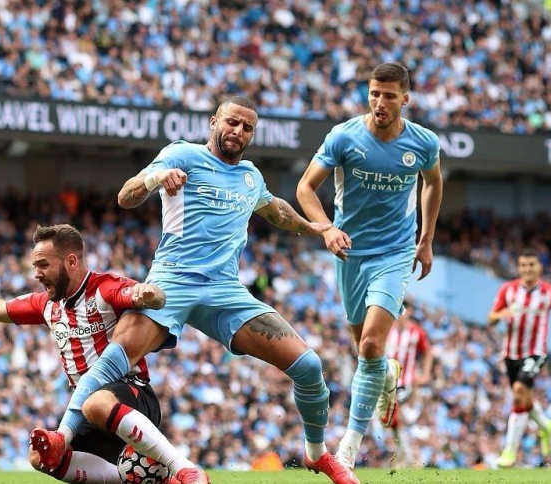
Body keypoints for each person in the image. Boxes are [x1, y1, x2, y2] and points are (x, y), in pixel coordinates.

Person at [36, 96, 360, 484]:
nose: (238, 131)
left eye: (246, 127)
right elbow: (126, 196)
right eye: (232, 122)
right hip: (172, 282)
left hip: (225, 290)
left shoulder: (251, 178)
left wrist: (318, 229)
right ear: (213, 122)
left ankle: (317, 455)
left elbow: (277, 211)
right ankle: (63, 435)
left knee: (308, 366)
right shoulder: (182, 155)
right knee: (115, 358)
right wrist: (157, 179)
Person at [0, 223, 183, 484]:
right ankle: (130, 480)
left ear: (70, 261)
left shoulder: (105, 289)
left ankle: (183, 470)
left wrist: (148, 296)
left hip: (133, 396)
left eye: (43, 265)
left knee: (96, 403)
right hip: (90, 411)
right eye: (34, 266)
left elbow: (146, 294)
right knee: (42, 457)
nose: (36, 274)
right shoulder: (46, 304)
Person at [295, 62, 444, 470]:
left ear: (405, 99)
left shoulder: (423, 142)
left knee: (371, 345)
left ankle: (348, 446)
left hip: (395, 254)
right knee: (366, 352)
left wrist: (426, 238)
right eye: (374, 93)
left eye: (389, 95)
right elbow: (306, 187)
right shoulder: (344, 136)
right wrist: (325, 229)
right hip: (350, 253)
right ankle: (385, 377)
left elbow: (433, 181)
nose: (380, 102)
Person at [488, 248, 551, 468]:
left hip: (536, 351)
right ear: (519, 268)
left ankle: (509, 452)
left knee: (519, 393)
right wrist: (501, 315)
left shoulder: (550, 292)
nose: (527, 269)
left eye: (531, 265)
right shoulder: (507, 290)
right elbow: (490, 319)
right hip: (510, 354)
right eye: (523, 265)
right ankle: (545, 425)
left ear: (539, 267)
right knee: (523, 398)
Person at [383, 301, 433, 467]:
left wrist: (425, 374)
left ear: (410, 312)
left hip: (405, 382)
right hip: (386, 381)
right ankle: (407, 454)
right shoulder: (387, 328)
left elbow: (427, 352)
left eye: (405, 311)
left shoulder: (416, 332)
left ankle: (407, 455)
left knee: (395, 414)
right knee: (392, 421)